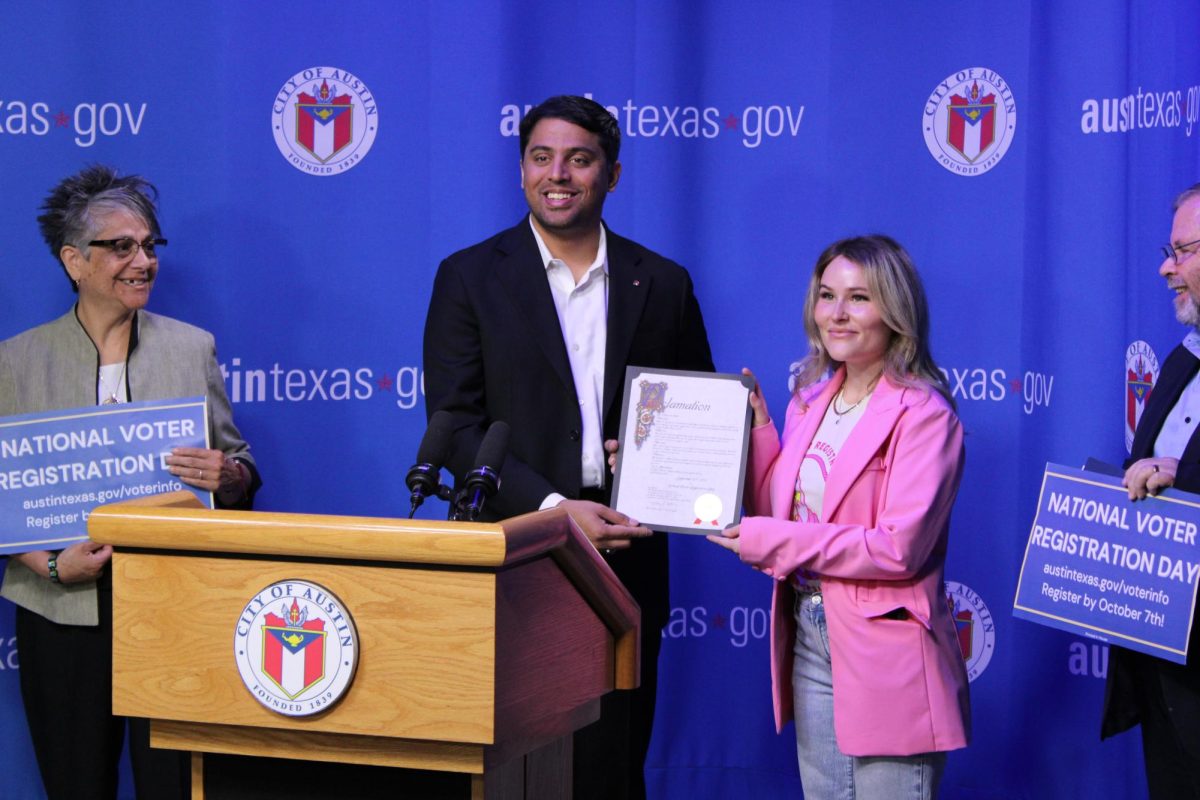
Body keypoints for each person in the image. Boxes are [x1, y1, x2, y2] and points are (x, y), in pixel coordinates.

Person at [423, 94, 713, 799]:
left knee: (614, 768)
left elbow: (698, 416)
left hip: (627, 554)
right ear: (522, 170)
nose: (559, 174)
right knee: (515, 773)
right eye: (541, 157)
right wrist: (554, 510)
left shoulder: (664, 283)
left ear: (612, 175)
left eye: (580, 160)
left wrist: (667, 454)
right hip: (516, 551)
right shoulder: (469, 277)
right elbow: (456, 427)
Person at [0, 165, 261, 799]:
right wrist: (53, 566)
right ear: (74, 261)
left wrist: (227, 475)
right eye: (121, 246)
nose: (142, 260)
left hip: (174, 613)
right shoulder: (16, 361)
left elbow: (241, 469)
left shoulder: (190, 347)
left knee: (173, 786)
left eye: (149, 246)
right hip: (60, 615)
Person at [709, 235, 970, 799]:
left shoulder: (924, 414)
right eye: (827, 296)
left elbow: (897, 549)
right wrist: (758, 428)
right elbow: (780, 515)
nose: (837, 314)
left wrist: (769, 538)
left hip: (885, 643)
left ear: (895, 312)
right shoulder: (811, 397)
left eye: (859, 298)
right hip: (808, 627)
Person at [1104, 182, 1200, 798]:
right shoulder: (1178, 363)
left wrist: (1183, 487)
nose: (1166, 267)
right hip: (1164, 673)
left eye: (1183, 251)